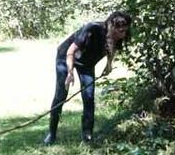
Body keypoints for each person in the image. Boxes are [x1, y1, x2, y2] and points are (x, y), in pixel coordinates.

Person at [43, 11, 132, 145]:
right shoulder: (92, 28)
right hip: (66, 57)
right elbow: (71, 51)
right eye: (119, 31)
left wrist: (109, 65)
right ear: (110, 25)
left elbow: (113, 47)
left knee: (89, 97)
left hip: (87, 63)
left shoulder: (119, 35)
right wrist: (70, 73)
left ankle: (87, 135)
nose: (122, 35)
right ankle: (52, 133)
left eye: (124, 31)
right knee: (61, 94)